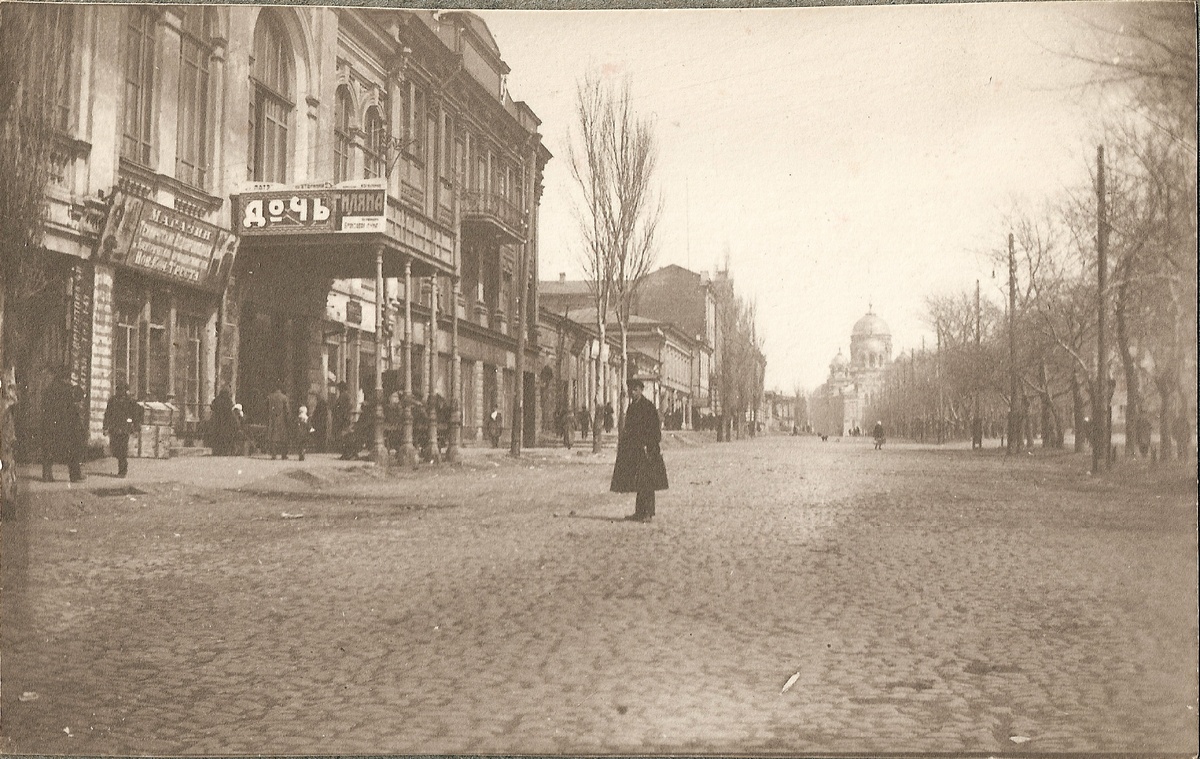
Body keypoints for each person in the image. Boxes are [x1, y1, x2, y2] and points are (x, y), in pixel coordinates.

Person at [611, 378, 668, 523]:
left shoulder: (648, 407)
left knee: (648, 482)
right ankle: (639, 512)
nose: (632, 392)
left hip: (647, 449)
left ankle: (648, 513)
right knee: (639, 481)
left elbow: (654, 429)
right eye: (631, 390)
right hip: (635, 449)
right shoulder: (632, 407)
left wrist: (649, 445)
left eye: (635, 390)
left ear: (641, 390)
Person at [41, 368, 85, 482]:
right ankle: (75, 475)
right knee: (74, 448)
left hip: (51, 423)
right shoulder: (69, 389)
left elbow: (44, 406)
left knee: (49, 448)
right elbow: (77, 399)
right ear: (66, 378)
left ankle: (47, 475)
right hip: (68, 424)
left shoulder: (49, 389)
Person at [103, 381, 142, 477]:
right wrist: (105, 427)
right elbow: (107, 414)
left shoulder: (130, 401)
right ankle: (121, 465)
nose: (120, 392)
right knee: (115, 449)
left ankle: (122, 471)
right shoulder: (112, 400)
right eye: (119, 390)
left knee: (123, 450)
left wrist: (136, 429)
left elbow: (135, 416)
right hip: (114, 428)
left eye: (122, 390)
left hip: (125, 429)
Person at [266, 383, 291, 460]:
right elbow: (287, 410)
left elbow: (266, 409)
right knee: (284, 437)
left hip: (272, 419)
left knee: (273, 436)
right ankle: (284, 454)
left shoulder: (269, 397)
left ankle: (273, 454)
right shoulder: (284, 398)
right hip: (282, 419)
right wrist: (288, 419)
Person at [209, 386, 236, 455]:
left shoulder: (217, 399)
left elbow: (212, 406)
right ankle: (226, 451)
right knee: (226, 435)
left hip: (218, 420)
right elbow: (231, 407)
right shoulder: (228, 400)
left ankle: (217, 450)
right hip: (226, 421)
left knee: (218, 435)